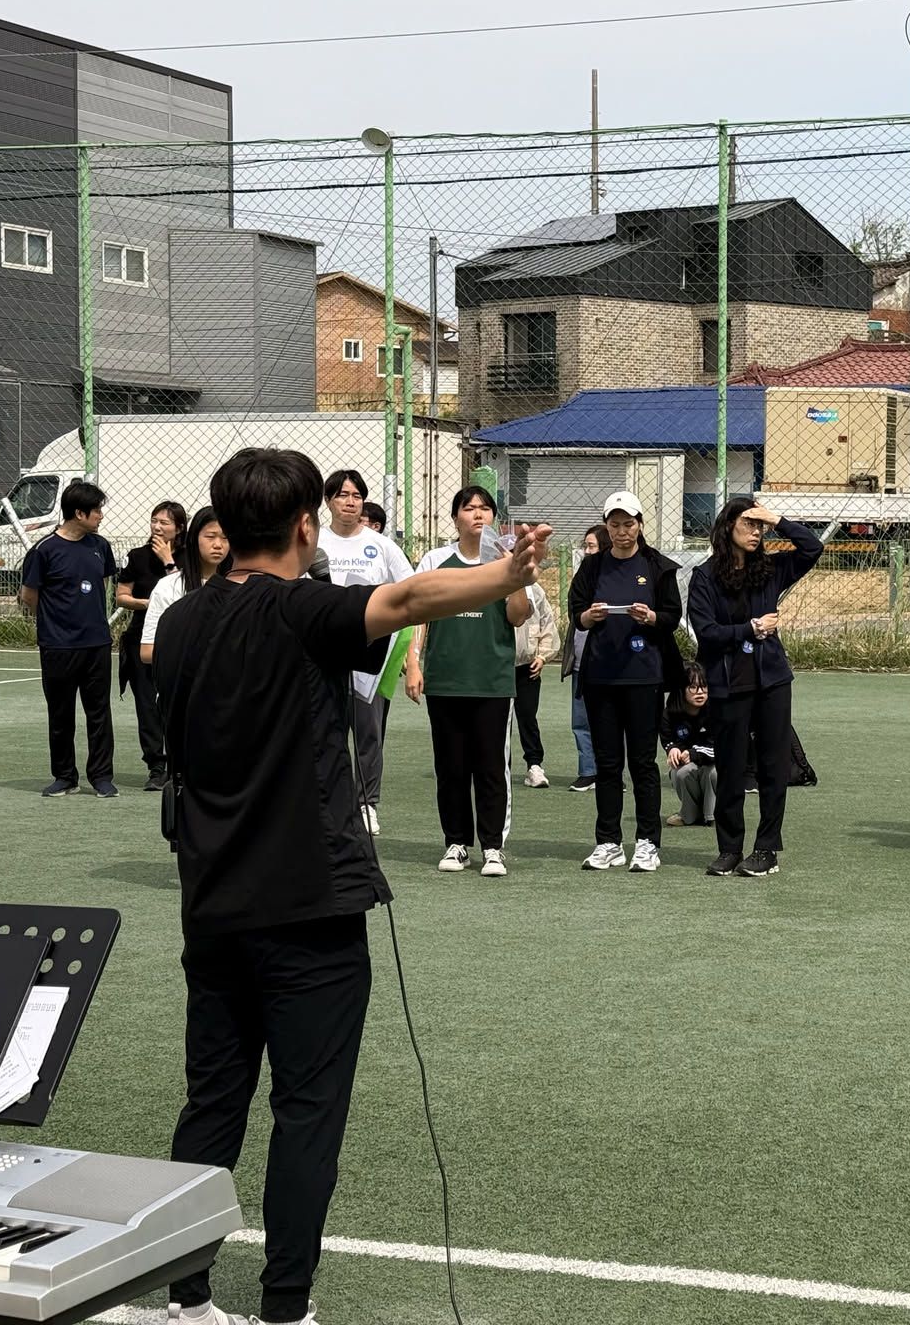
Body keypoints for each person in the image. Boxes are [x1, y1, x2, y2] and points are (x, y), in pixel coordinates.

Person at [154, 447, 548, 1325]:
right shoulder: (304, 610)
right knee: (307, 1110)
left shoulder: (179, 623)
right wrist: (506, 574)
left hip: (211, 907)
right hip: (308, 909)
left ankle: (185, 1295)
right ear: (305, 525)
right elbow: (406, 601)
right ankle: (284, 1305)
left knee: (212, 1102)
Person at [687, 498, 824, 876]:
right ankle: (729, 849)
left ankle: (766, 849)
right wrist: (751, 629)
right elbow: (707, 633)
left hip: (772, 681)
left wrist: (777, 519)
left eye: (760, 526)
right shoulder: (705, 577)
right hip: (727, 684)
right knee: (731, 767)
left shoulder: (771, 568)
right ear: (727, 527)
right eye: (749, 523)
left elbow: (813, 548)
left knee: (772, 766)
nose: (756, 532)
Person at [403, 485, 532, 878]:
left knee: (491, 767)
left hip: (492, 681)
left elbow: (518, 616)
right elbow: (417, 612)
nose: (478, 514)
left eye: (485, 508)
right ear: (455, 517)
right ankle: (456, 843)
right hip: (445, 679)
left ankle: (493, 847)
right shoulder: (435, 560)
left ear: (494, 517)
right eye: (469, 507)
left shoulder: (506, 561)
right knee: (451, 767)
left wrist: (514, 575)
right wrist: (413, 663)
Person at [566, 491, 683, 872]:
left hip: (644, 676)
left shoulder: (657, 565)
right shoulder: (592, 566)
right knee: (607, 763)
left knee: (642, 762)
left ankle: (647, 843)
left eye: (628, 524)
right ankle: (608, 842)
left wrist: (651, 617)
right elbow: (575, 612)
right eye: (614, 525)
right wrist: (589, 617)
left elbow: (672, 615)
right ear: (607, 527)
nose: (621, 531)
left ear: (640, 525)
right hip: (600, 676)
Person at [318, 469, 413, 836]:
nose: (350, 502)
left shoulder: (381, 546)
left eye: (357, 496)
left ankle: (367, 804)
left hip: (369, 657)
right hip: (323, 653)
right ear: (328, 501)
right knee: (324, 731)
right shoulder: (313, 542)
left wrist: (410, 655)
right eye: (342, 495)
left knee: (368, 733)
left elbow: (408, 592)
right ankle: (325, 802)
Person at [20, 479, 119, 798]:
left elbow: (102, 584)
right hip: (58, 646)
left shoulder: (100, 546)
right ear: (79, 513)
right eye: (96, 510)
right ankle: (65, 777)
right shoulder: (44, 550)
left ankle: (101, 777)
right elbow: (29, 596)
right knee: (61, 713)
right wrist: (57, 622)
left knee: (99, 712)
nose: (101, 515)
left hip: (97, 643)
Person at [116, 500, 185, 791]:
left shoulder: (190, 558)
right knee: (147, 707)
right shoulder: (138, 556)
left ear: (179, 528)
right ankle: (156, 767)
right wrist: (149, 603)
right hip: (141, 639)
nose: (157, 527)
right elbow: (121, 596)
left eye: (164, 523)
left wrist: (169, 560)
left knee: (179, 705)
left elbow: (188, 594)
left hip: (180, 642)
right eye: (154, 521)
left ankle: (180, 766)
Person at [140, 507, 232, 666]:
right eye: (210, 536)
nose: (218, 545)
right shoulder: (169, 587)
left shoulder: (240, 587)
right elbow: (147, 651)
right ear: (194, 539)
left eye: (225, 538)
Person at [562, 524, 607, 791]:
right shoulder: (582, 577)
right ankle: (588, 771)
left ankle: (609, 771)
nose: (587, 551)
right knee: (581, 720)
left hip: (607, 662)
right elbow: (574, 612)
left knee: (609, 720)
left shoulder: (614, 576)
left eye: (592, 546)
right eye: (586, 546)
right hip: (581, 660)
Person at [512, 549, 561, 789]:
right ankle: (492, 764)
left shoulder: (535, 590)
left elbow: (547, 623)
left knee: (527, 717)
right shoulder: (490, 589)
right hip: (495, 667)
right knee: (493, 720)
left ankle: (534, 765)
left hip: (527, 666)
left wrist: (542, 656)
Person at [662, 662, 717, 828]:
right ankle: (689, 815)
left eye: (703, 687)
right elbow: (668, 740)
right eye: (693, 687)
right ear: (682, 689)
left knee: (714, 773)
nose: (700, 692)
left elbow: (719, 748)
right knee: (680, 772)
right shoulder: (670, 713)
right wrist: (672, 749)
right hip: (690, 762)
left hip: (713, 762)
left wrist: (693, 753)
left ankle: (713, 815)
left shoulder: (716, 710)